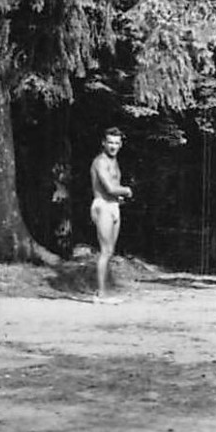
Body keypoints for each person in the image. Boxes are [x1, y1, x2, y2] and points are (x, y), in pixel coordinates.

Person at [88, 127, 134, 303]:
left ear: (120, 144)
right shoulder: (100, 162)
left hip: (114, 206)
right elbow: (110, 187)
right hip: (103, 207)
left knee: (110, 251)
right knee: (105, 251)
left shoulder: (114, 161)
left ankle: (105, 291)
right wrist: (127, 191)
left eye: (116, 143)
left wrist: (120, 197)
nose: (113, 146)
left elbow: (114, 189)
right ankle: (101, 294)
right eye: (110, 142)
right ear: (103, 143)